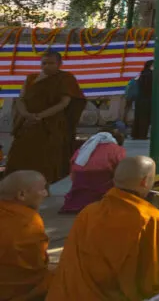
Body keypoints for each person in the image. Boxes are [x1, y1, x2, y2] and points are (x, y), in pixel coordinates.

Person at [47, 156, 159, 300]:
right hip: (121, 295)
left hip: (79, 294)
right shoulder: (150, 217)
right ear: (144, 182)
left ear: (115, 180)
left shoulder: (88, 212)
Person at [5, 50, 86, 184]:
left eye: (51, 63)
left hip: (51, 124)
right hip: (28, 123)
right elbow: (21, 98)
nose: (46, 66)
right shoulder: (31, 78)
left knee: (45, 158)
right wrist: (26, 114)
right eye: (44, 63)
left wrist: (40, 116)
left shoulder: (66, 78)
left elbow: (64, 103)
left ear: (60, 64)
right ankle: (14, 184)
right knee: (19, 155)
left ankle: (42, 186)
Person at [0, 170, 52, 300]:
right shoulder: (29, 221)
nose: (46, 194)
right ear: (22, 195)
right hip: (20, 292)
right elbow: (36, 266)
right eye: (43, 189)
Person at [60, 128, 128, 214]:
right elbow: (122, 172)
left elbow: (73, 172)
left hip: (79, 194)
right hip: (104, 193)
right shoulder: (117, 150)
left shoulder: (83, 149)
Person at [128, 60, 154, 140]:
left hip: (139, 99)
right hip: (146, 99)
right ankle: (143, 135)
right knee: (144, 118)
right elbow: (149, 88)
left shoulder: (142, 73)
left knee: (138, 117)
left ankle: (135, 134)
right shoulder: (150, 74)